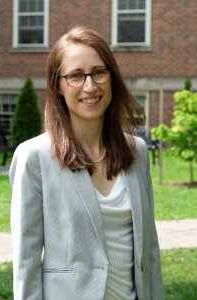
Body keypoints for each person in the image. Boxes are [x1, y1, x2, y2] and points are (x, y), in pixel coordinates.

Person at [10, 25, 164, 300]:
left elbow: (149, 252)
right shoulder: (33, 157)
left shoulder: (136, 152)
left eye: (99, 72)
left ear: (112, 77)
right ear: (57, 84)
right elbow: (26, 263)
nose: (90, 86)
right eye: (76, 76)